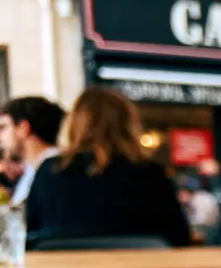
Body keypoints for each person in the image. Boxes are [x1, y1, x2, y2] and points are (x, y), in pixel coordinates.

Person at [25, 88, 189, 246]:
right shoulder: (150, 172)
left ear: (73, 123)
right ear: (128, 124)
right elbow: (179, 236)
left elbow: (31, 234)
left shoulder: (50, 170)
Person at [0, 96, 65, 207]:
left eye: (3, 127)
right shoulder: (34, 171)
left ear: (23, 128)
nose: (1, 137)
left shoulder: (56, 171)